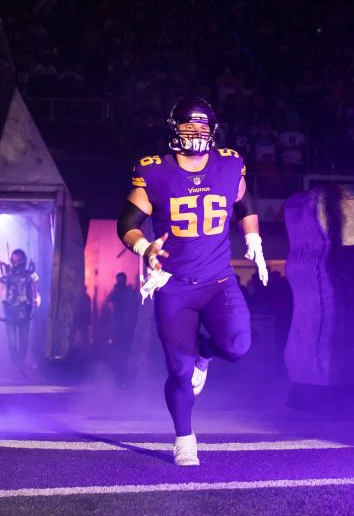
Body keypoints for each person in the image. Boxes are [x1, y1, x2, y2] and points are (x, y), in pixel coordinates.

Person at [117, 96, 269, 466]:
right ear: (174, 129)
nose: (197, 133)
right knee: (179, 371)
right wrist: (145, 249)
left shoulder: (230, 163)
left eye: (203, 126)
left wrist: (253, 238)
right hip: (173, 284)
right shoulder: (154, 171)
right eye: (189, 125)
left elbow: (245, 205)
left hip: (218, 279)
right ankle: (184, 436)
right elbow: (127, 224)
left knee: (237, 345)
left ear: (213, 130)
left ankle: (206, 354)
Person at [0, 248, 41, 376]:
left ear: (24, 260)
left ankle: (20, 365)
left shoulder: (31, 274)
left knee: (24, 340)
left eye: (19, 260)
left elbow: (37, 287)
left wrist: (38, 298)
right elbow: (0, 288)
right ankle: (15, 366)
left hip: (24, 310)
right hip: (10, 310)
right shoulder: (7, 275)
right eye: (14, 260)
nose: (17, 263)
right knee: (12, 340)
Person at [106, 272, 140, 387]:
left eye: (122, 280)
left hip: (126, 327)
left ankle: (124, 379)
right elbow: (109, 300)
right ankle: (118, 379)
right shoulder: (117, 292)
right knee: (117, 354)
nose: (120, 282)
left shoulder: (128, 292)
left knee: (125, 354)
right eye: (118, 280)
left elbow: (135, 303)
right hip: (117, 328)